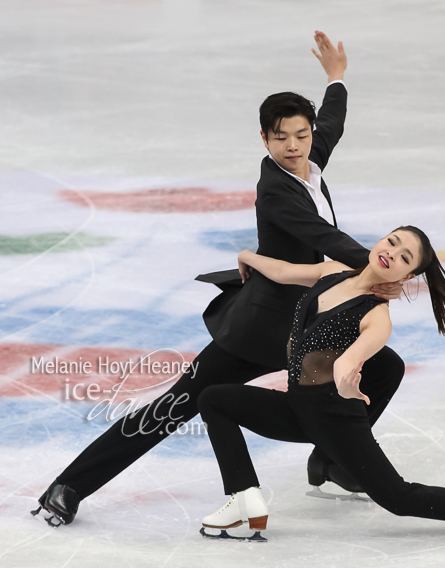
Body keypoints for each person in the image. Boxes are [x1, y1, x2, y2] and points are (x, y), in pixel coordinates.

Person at [32, 31, 405, 528]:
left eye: (301, 134)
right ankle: (70, 485)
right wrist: (378, 267)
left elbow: (331, 122)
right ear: (264, 139)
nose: (293, 146)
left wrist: (335, 77)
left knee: (385, 368)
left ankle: (334, 460)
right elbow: (326, 238)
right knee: (179, 404)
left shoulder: (310, 159)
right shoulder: (277, 191)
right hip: (264, 327)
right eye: (281, 137)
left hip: (311, 320)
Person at [197, 226, 445, 540]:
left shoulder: (376, 317)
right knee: (214, 399)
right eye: (392, 242)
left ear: (408, 274)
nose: (391, 253)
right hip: (295, 407)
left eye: (404, 257)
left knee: (398, 498)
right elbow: (284, 272)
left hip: (335, 417)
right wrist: (246, 256)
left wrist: (347, 382)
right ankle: (244, 497)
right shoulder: (333, 272)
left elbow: (349, 362)